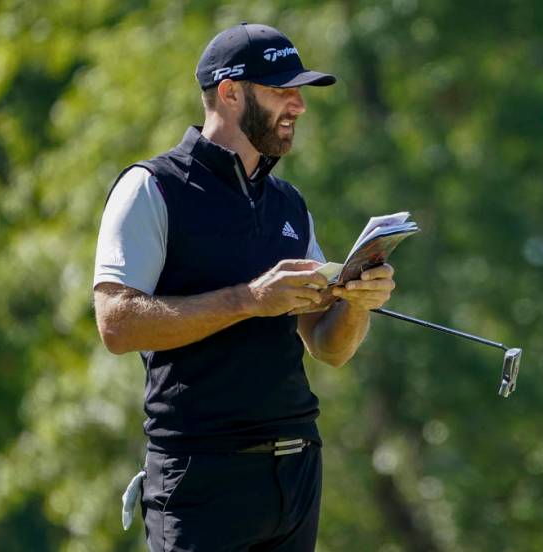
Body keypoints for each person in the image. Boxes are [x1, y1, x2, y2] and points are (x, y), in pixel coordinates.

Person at [92, 22, 395, 551]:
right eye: (282, 90)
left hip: (296, 472)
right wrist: (250, 300)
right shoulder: (153, 187)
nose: (298, 106)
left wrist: (358, 303)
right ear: (230, 93)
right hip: (200, 475)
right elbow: (115, 325)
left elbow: (328, 347)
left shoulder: (289, 204)